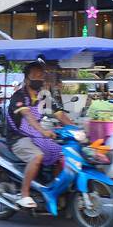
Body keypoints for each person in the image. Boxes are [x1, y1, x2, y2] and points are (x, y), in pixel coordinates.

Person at [7, 60, 71, 209]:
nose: (39, 79)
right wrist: (43, 131)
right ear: (27, 78)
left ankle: (55, 191)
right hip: (19, 138)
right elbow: (28, 116)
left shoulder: (43, 96)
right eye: (35, 75)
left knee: (61, 154)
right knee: (37, 156)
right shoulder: (19, 96)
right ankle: (24, 194)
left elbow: (59, 114)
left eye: (41, 76)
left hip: (37, 136)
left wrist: (76, 128)